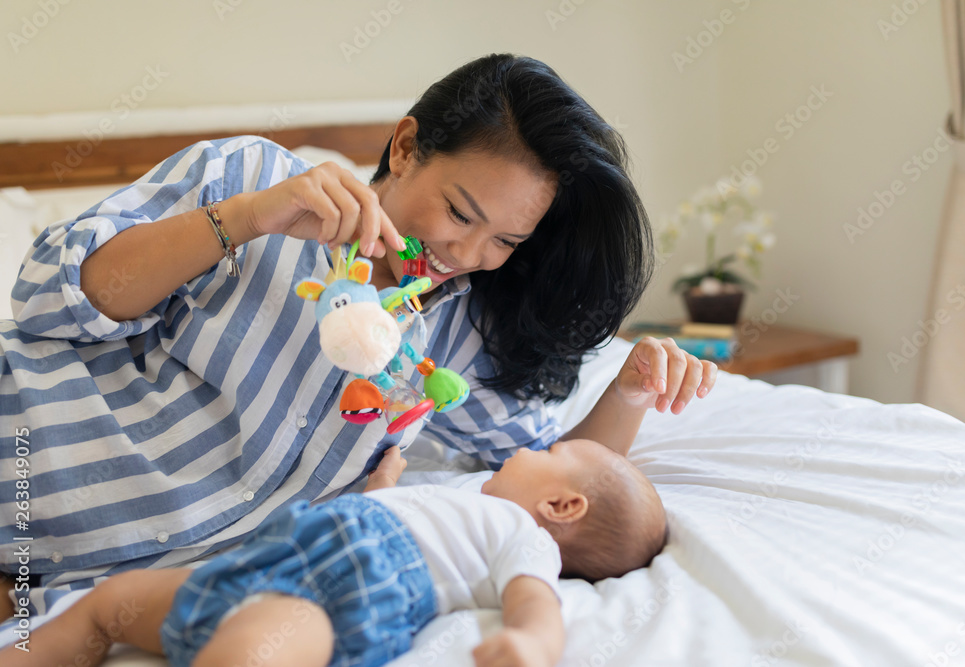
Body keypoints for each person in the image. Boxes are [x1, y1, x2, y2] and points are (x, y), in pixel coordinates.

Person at [0, 53, 716, 631]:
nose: (465, 254)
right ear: (405, 148)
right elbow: (49, 298)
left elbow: (560, 479)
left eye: (505, 241)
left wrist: (631, 389)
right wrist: (245, 220)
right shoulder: (250, 177)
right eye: (460, 212)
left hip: (58, 589)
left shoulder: (460, 334)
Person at [0, 438, 667, 667]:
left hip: (328, 598)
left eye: (549, 452)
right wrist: (384, 484)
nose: (524, 449)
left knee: (256, 649)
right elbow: (387, 512)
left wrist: (528, 645)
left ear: (563, 506)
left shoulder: (523, 537)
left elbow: (535, 602)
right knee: (111, 602)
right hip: (262, 563)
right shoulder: (464, 498)